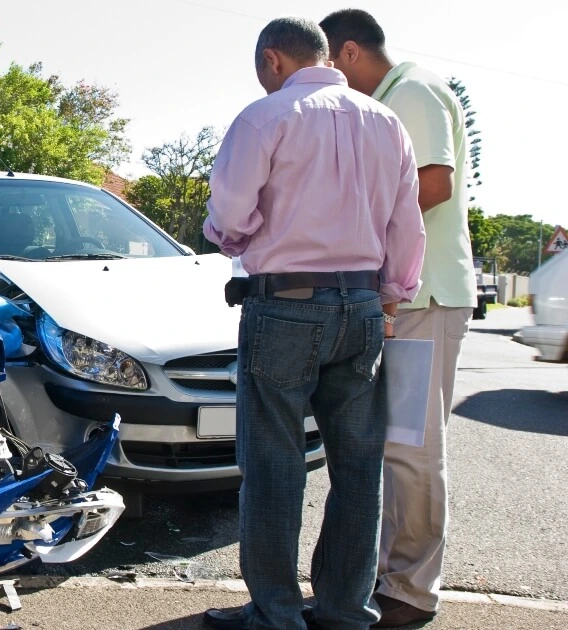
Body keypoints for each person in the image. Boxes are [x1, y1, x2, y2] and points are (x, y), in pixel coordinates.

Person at [201, 17, 426, 630]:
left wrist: (227, 235)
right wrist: (391, 294)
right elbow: (408, 224)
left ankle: (276, 613)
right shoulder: (386, 122)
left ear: (273, 60)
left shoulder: (265, 117)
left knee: (273, 465)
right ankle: (345, 610)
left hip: (283, 306)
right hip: (361, 307)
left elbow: (230, 217)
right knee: (358, 469)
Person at [320, 10, 477, 627]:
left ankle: (411, 591)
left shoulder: (411, 92)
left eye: (328, 64)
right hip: (402, 299)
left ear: (350, 52)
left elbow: (434, 183)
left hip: (426, 297)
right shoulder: (389, 97)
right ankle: (391, 577)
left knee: (412, 448)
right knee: (396, 445)